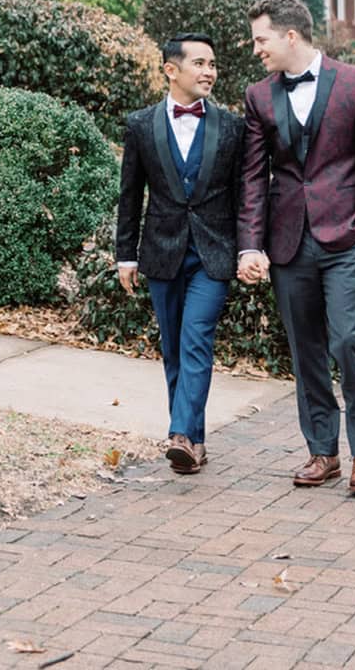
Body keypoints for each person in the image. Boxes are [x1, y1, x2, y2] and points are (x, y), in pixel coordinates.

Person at [236, 0, 355, 496]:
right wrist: (250, 246)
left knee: (350, 340)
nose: (255, 49)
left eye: (261, 39)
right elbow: (252, 177)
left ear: (290, 36)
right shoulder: (259, 97)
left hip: (349, 238)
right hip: (288, 244)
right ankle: (322, 452)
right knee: (305, 350)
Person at [115, 33, 245, 474]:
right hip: (161, 253)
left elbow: (246, 196)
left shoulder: (231, 126)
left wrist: (249, 249)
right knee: (173, 348)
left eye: (213, 64)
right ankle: (194, 442)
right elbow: (129, 195)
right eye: (200, 63)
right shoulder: (140, 125)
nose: (209, 71)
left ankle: (180, 434)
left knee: (196, 340)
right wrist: (125, 256)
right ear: (172, 70)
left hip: (214, 254)